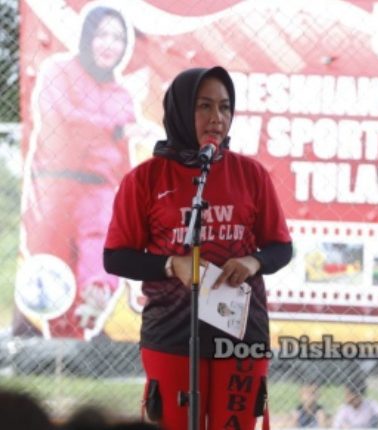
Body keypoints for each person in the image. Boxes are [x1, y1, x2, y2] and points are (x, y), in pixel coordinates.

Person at [103, 65, 293, 430]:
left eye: (225, 107)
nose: (217, 118)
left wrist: (253, 262)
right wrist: (171, 265)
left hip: (240, 336)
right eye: (204, 106)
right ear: (179, 111)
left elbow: (280, 247)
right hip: (173, 334)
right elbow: (116, 257)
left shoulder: (251, 174)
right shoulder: (145, 179)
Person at [19, 3, 139, 339]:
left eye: (118, 38)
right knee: (53, 267)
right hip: (53, 183)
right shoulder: (58, 71)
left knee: (102, 234)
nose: (109, 45)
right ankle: (62, 339)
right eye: (102, 35)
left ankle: (97, 291)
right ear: (87, 38)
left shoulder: (122, 96)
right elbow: (60, 115)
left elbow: (122, 156)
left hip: (98, 186)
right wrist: (114, 127)